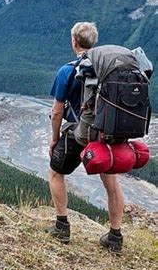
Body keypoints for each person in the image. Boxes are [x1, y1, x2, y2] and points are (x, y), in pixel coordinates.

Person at [46, 22, 125, 252]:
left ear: (74, 41)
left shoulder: (67, 71)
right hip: (106, 134)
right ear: (94, 42)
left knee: (55, 172)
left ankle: (62, 226)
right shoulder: (107, 68)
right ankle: (115, 236)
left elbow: (57, 111)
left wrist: (54, 139)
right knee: (111, 182)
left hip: (80, 133)